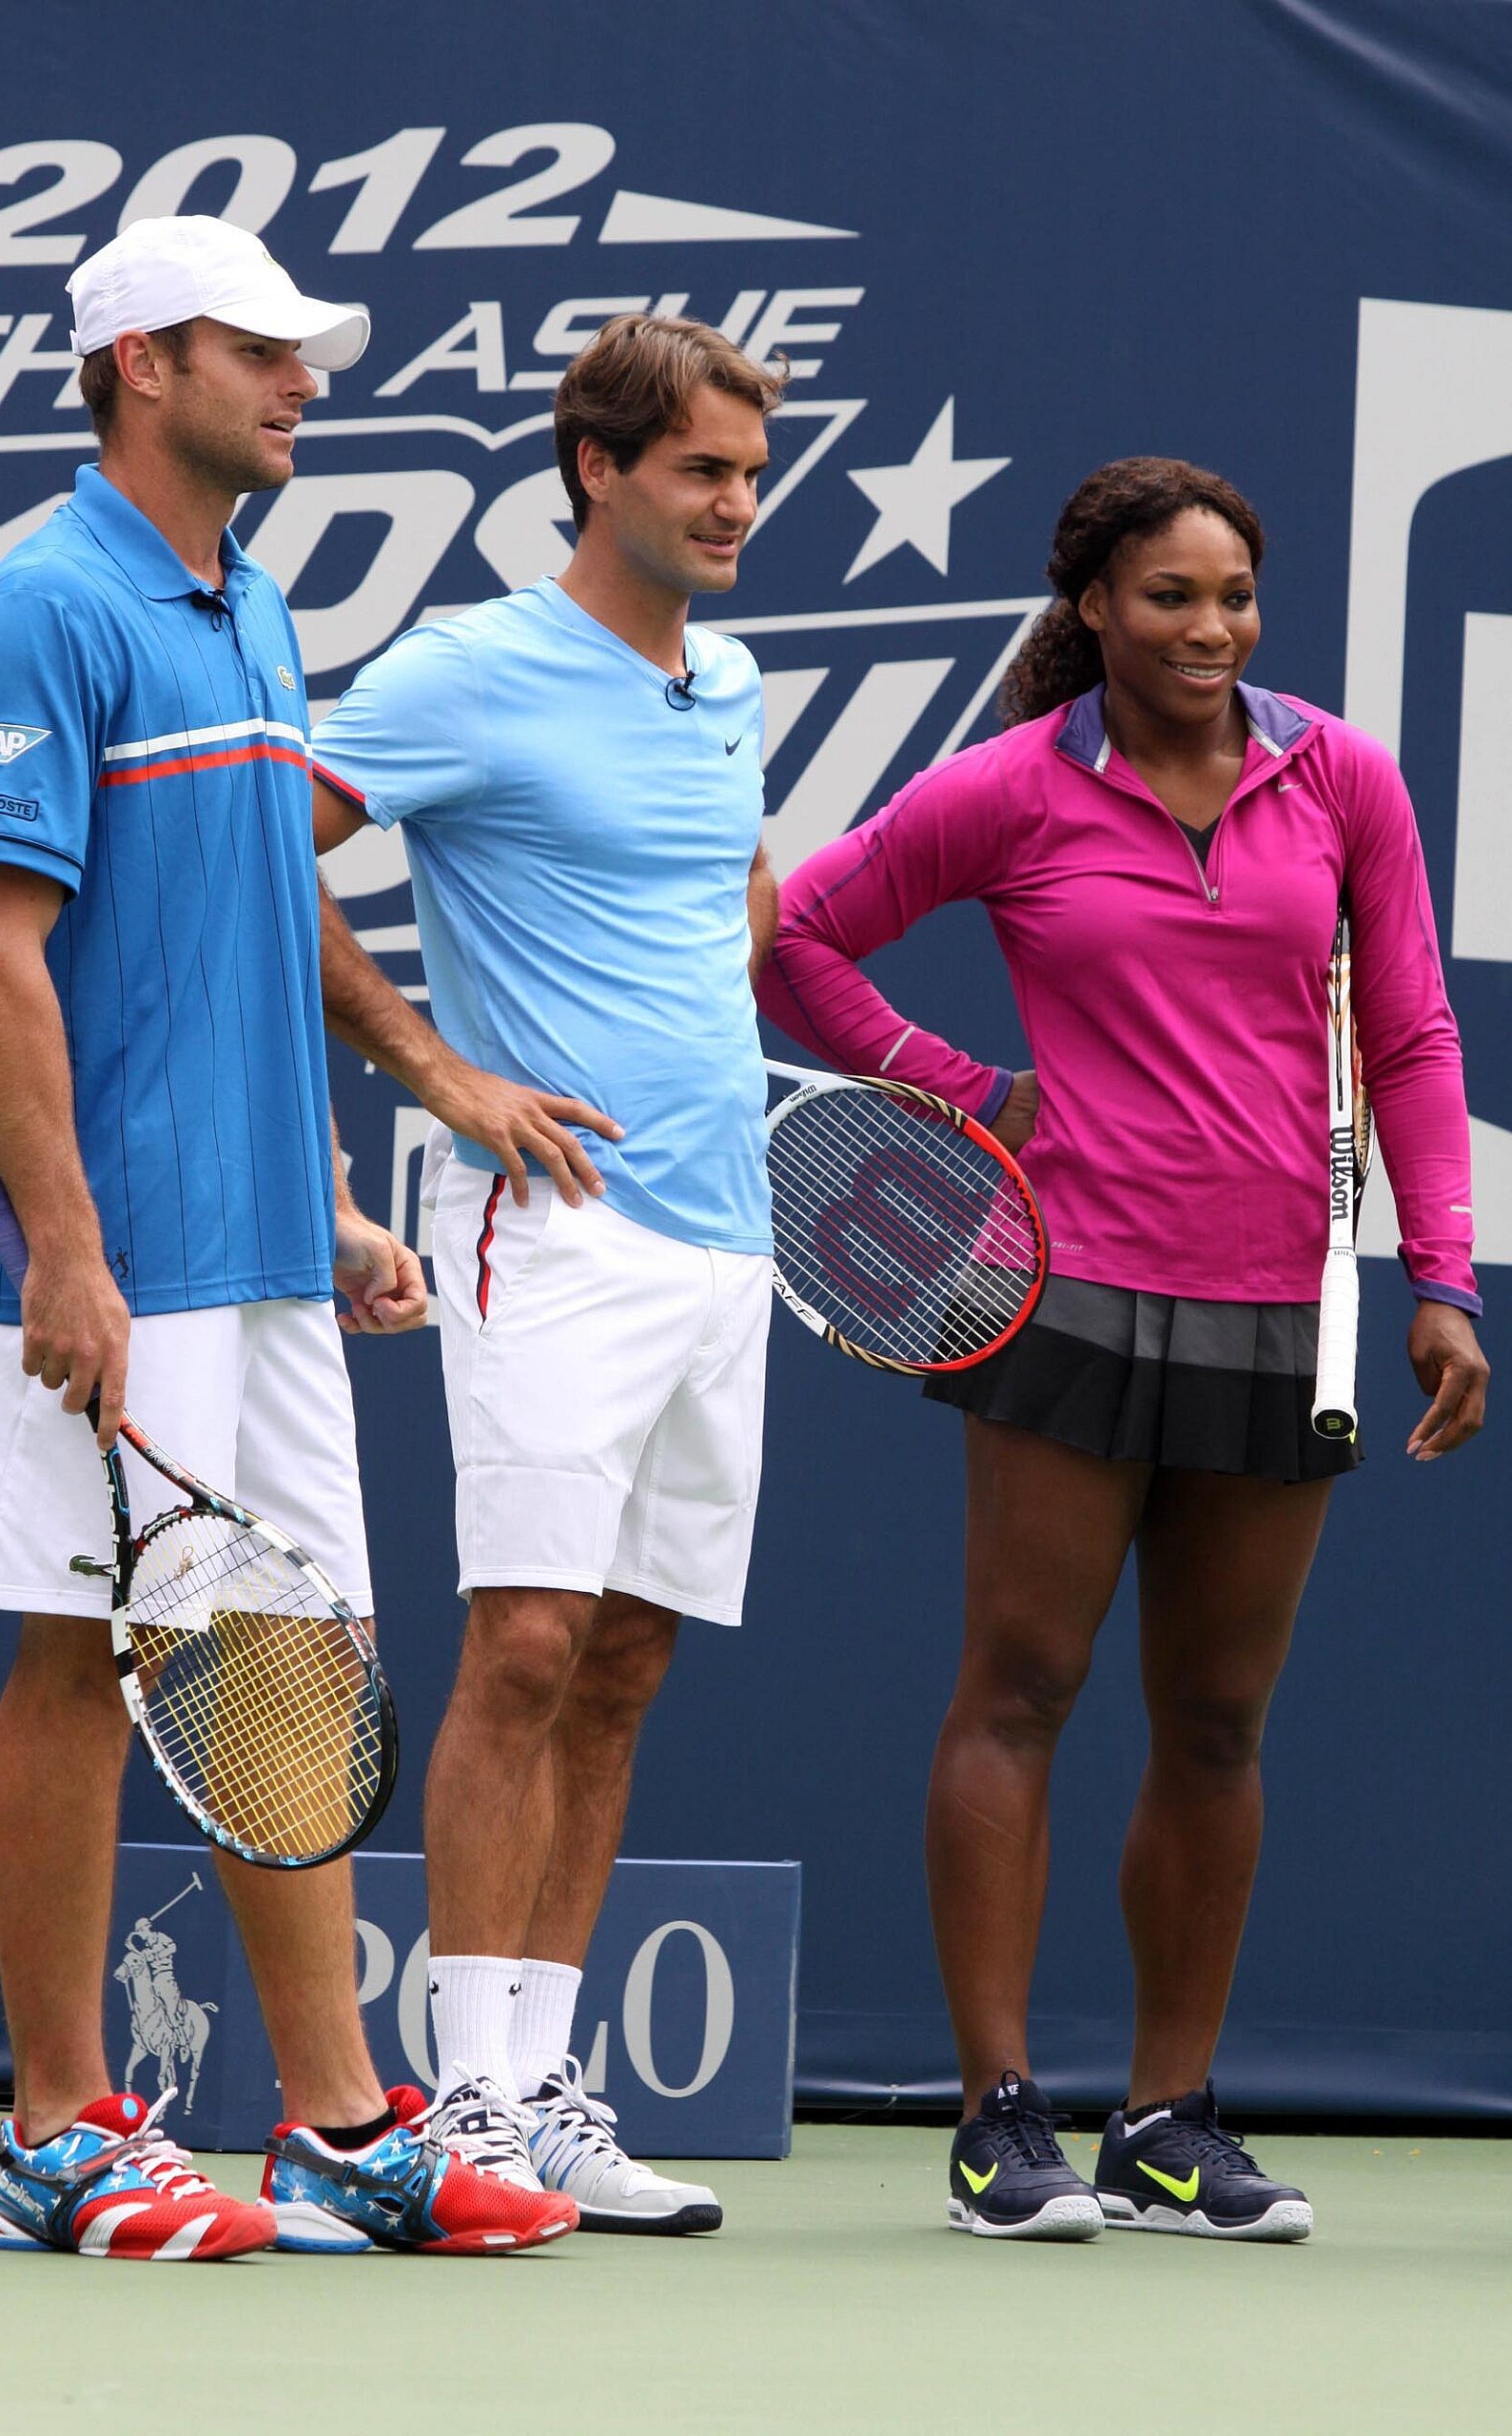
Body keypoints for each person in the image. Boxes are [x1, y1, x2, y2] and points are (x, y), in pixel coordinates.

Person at [758, 456, 1489, 2244]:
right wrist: (971, 1095)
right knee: (1021, 1688)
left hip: (1279, 1307)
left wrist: (1445, 1277)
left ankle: (1169, 2120)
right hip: (1064, 1290)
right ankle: (999, 2115)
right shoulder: (1012, 786)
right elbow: (800, 947)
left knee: (1220, 1722)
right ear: (1091, 607)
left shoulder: (1345, 781)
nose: (1210, 629)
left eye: (1233, 596)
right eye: (1170, 596)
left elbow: (1411, 1032)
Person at [0, 214, 574, 2261]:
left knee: (284, 1659)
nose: (303, 381)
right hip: (104, 1257)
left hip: (262, 1250)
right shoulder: (44, 606)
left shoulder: (256, 605)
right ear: (141, 363)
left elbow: (249, 914)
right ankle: (53, 2130)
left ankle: (333, 2123)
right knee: (83, 1653)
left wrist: (325, 1198)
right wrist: (64, 1248)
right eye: (260, 351)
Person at [309, 313, 786, 2231]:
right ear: (598, 467)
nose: (736, 504)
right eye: (700, 470)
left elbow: (726, 896)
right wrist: (437, 1067)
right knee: (520, 1643)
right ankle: (468, 2099)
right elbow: (266, 850)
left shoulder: (731, 680)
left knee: (625, 1660)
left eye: (751, 473)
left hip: (725, 1233)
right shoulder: (468, 669)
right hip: (552, 1230)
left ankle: (544, 2083)